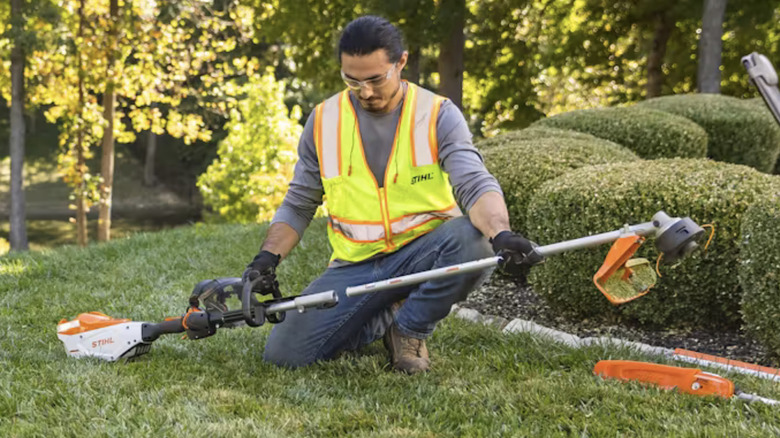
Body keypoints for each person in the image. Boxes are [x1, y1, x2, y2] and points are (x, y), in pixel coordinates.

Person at [244, 15, 541, 374]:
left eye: (375, 79)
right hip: (355, 266)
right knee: (285, 355)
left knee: (473, 241)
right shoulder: (323, 121)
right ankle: (384, 313)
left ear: (401, 63)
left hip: (423, 253)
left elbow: (474, 182)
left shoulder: (437, 114)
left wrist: (501, 233)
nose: (365, 91)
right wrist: (266, 258)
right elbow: (299, 202)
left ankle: (410, 327)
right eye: (352, 80)